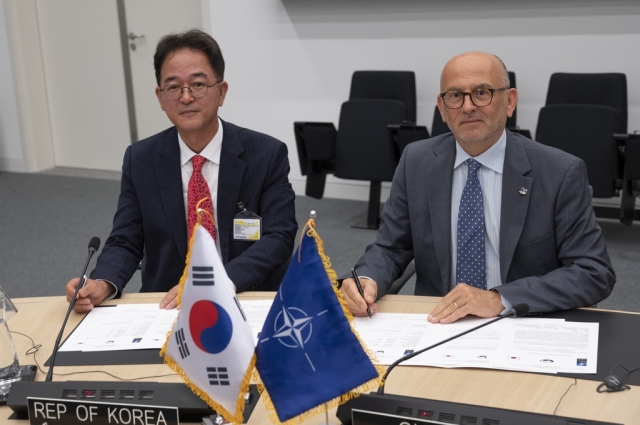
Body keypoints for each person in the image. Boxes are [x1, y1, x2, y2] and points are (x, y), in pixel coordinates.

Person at [341, 51, 615, 324]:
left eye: (482, 93)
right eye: (455, 95)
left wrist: (499, 299)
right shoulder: (417, 161)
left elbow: (592, 272)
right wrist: (366, 279)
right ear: (442, 108)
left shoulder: (559, 172)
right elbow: (391, 247)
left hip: (520, 321)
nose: (468, 106)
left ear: (509, 102)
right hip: (436, 322)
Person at [66, 30, 297, 312]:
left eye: (198, 84)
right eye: (173, 88)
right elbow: (125, 240)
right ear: (161, 98)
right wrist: (103, 282)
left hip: (245, 294)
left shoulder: (266, 154)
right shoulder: (141, 159)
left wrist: (215, 282)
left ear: (221, 92)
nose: (186, 97)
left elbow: (279, 237)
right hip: (168, 302)